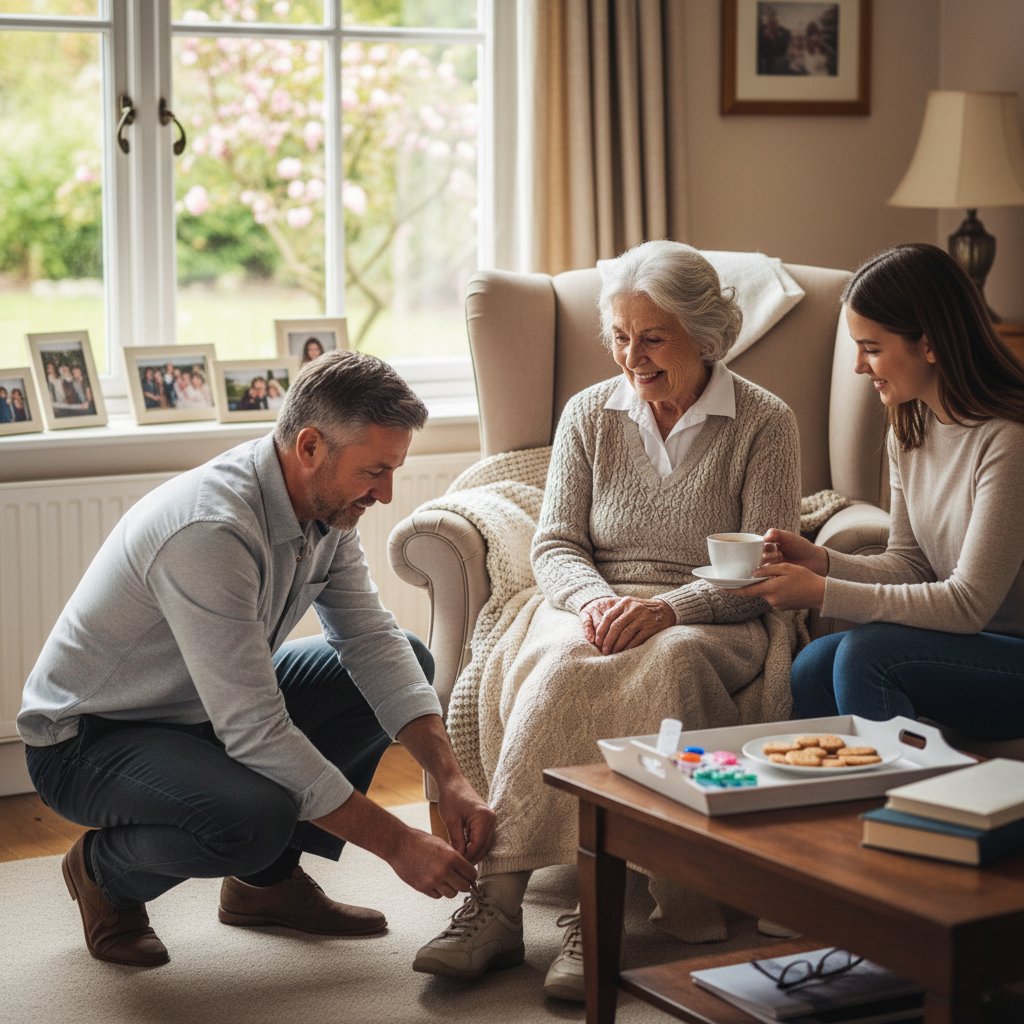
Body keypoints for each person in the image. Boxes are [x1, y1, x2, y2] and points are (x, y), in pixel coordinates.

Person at [18, 350, 495, 968]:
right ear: (310, 447)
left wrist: (449, 777)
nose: (386, 492)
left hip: (199, 711)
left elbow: (371, 639)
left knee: (403, 655)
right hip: (89, 740)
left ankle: (262, 886)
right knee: (256, 819)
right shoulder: (210, 530)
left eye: (393, 470)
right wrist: (399, 842)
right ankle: (104, 875)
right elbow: (254, 729)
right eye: (375, 471)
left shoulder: (326, 508)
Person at [413, 240, 801, 1000]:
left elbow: (761, 567)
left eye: (653, 337)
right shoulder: (588, 413)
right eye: (620, 336)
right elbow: (556, 542)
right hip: (591, 602)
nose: (633, 356)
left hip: (708, 616)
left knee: (668, 661)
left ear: (706, 336)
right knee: (558, 661)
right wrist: (594, 602)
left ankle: (598, 914)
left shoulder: (766, 422)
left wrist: (666, 608)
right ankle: (496, 903)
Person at [747, 243, 1024, 738]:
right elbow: (911, 564)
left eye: (872, 348)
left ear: (931, 343)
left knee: (867, 654)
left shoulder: (1007, 440)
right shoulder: (911, 427)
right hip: (970, 644)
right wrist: (821, 562)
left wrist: (824, 592)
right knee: (813, 664)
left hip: (1009, 653)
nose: (858, 366)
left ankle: (901, 811)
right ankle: (832, 809)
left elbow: (967, 604)